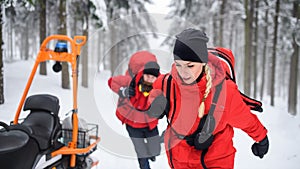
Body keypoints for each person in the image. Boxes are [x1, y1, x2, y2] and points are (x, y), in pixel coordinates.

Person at [146, 28, 269, 169]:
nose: (183, 72)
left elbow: (244, 118)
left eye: (190, 66)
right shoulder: (168, 82)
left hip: (215, 159)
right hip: (178, 159)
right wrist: (156, 104)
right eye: (178, 65)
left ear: (203, 62)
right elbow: (155, 91)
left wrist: (261, 138)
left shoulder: (225, 92)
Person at [108, 52, 161, 169]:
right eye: (147, 76)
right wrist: (122, 91)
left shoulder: (159, 85)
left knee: (155, 151)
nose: (149, 80)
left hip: (149, 123)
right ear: (141, 74)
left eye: (153, 77)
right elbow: (111, 81)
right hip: (133, 125)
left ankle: (151, 153)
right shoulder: (129, 81)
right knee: (141, 153)